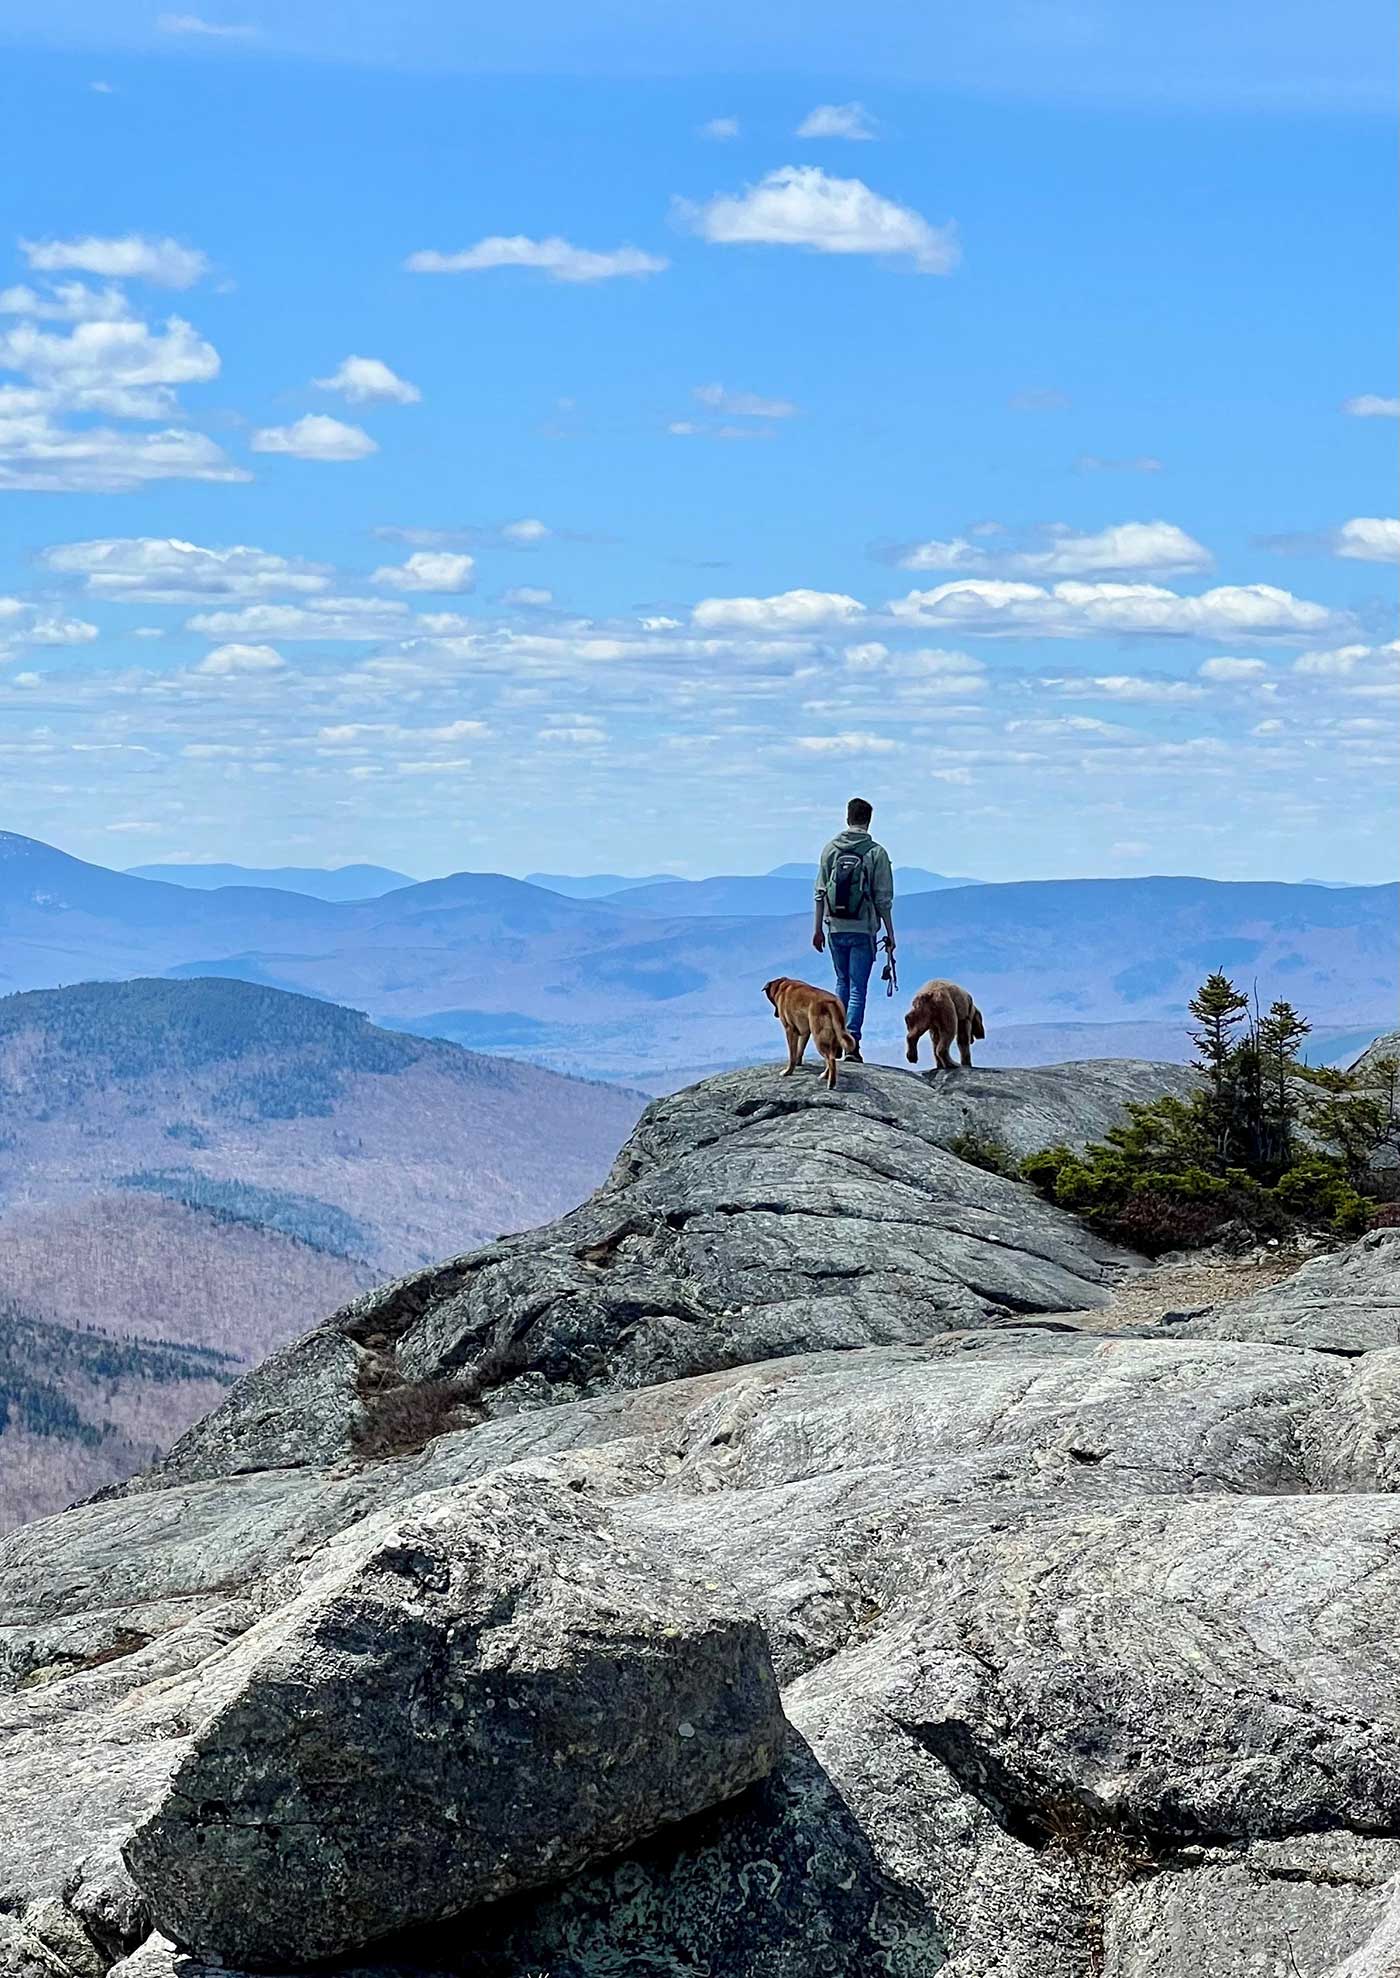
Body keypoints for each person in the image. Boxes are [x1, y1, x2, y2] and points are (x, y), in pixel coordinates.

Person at [812, 797, 895, 1062]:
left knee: (842, 983)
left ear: (847, 817)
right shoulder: (876, 853)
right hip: (863, 929)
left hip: (834, 927)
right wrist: (890, 933)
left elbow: (819, 892)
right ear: (869, 820)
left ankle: (836, 1040)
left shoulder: (830, 850)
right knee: (858, 987)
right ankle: (852, 1043)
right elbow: (883, 899)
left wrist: (817, 929)